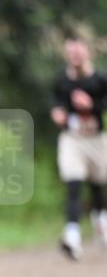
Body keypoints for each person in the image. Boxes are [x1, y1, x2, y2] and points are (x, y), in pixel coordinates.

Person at [51, 37, 107, 260]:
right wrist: (57, 113)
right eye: (71, 52)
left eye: (78, 51)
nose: (75, 56)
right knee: (73, 184)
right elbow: (55, 102)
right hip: (72, 139)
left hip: (95, 138)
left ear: (87, 52)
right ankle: (72, 237)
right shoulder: (62, 80)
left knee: (97, 185)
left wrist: (92, 106)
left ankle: (101, 225)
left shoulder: (100, 79)